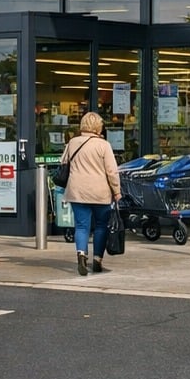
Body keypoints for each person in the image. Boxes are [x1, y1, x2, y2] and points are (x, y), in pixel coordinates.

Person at [61, 111, 122, 276]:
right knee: (101, 225)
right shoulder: (104, 145)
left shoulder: (72, 143)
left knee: (81, 226)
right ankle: (97, 259)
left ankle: (81, 255)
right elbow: (112, 172)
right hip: (99, 192)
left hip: (77, 191)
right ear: (98, 127)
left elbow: (63, 162)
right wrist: (117, 192)